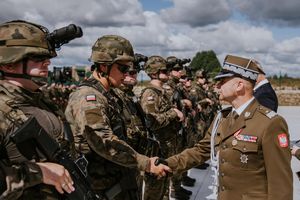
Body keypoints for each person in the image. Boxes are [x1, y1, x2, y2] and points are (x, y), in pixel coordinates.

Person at [165, 54, 293, 200]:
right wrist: (168, 164)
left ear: (239, 86)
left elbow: (280, 185)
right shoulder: (223, 118)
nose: (217, 85)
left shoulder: (271, 123)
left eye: (222, 81)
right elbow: (202, 150)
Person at [64, 35, 170, 200]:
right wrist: (146, 163)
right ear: (103, 66)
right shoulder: (89, 97)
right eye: (123, 69)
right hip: (101, 187)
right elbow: (103, 141)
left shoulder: (110, 94)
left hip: (118, 179)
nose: (127, 74)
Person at [0, 20, 77, 199]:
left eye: (47, 57)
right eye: (37, 57)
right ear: (8, 64)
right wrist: (38, 172)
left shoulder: (41, 101)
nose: (47, 63)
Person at [140, 55, 185, 200]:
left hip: (167, 144)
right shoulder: (150, 94)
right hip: (157, 147)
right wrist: (173, 112)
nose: (168, 73)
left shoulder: (161, 92)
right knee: (155, 188)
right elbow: (152, 122)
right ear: (154, 73)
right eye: (165, 71)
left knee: (164, 185)